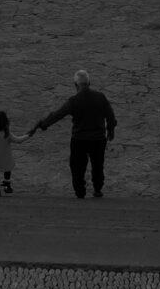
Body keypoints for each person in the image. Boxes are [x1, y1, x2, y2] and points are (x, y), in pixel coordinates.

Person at [31, 70, 118, 199]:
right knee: (98, 164)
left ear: (75, 85)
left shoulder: (74, 101)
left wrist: (43, 124)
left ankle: (80, 191)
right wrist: (111, 130)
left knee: (77, 166)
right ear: (89, 83)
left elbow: (58, 114)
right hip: (98, 138)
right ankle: (97, 188)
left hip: (79, 138)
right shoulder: (100, 97)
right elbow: (110, 115)